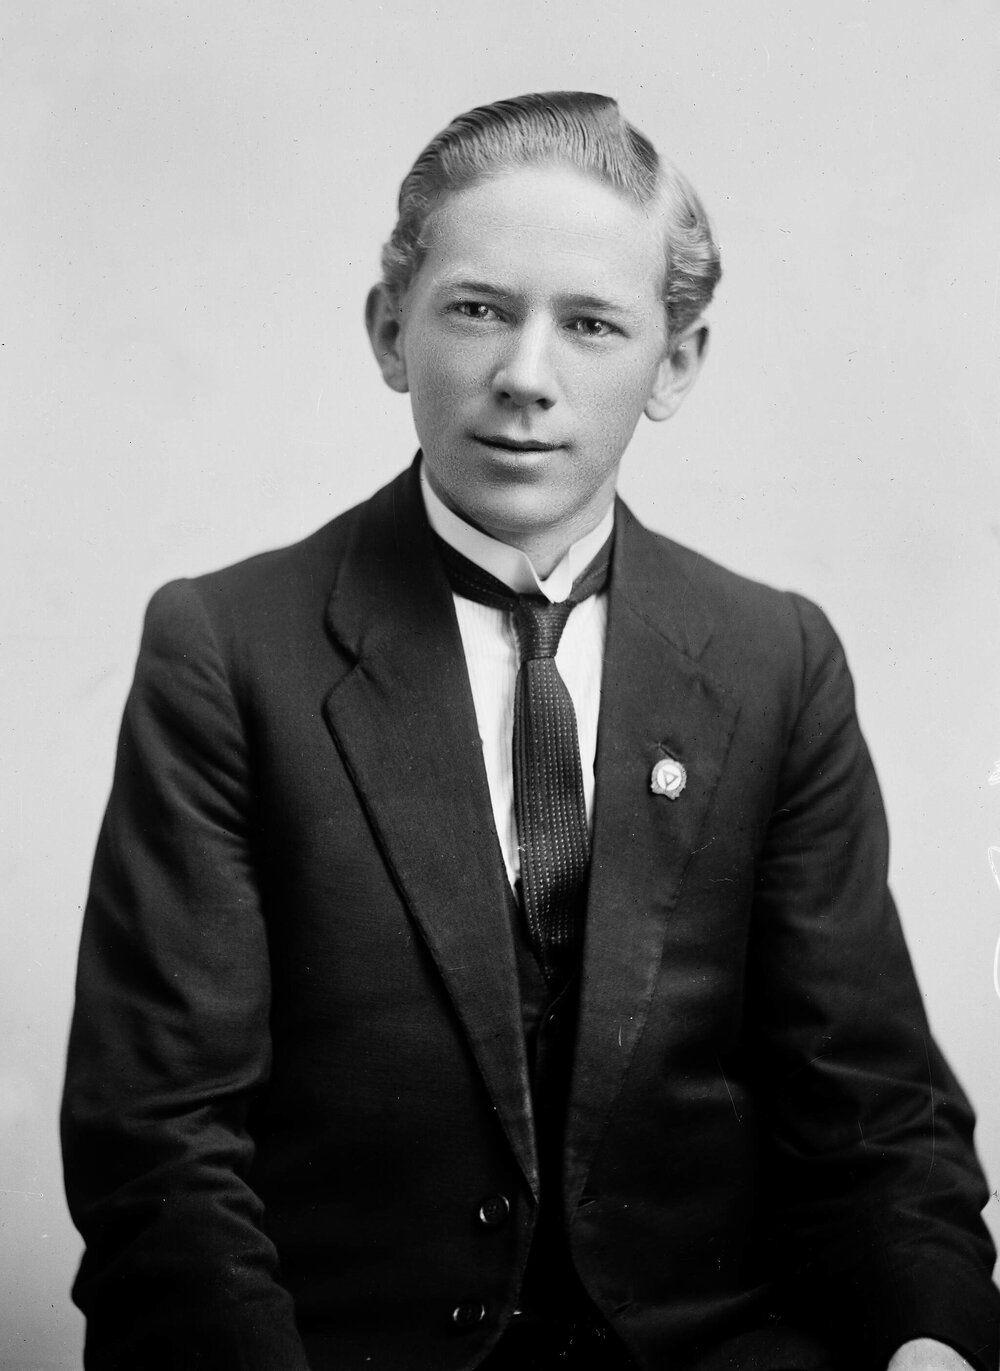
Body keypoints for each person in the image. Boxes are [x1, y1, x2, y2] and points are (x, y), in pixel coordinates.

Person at [61, 91, 999, 1371]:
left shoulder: (776, 659)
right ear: (391, 332)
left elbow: (873, 1112)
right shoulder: (226, 653)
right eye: (477, 309)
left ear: (674, 362)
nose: (525, 377)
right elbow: (160, 1143)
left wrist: (930, 1344)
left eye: (593, 325)